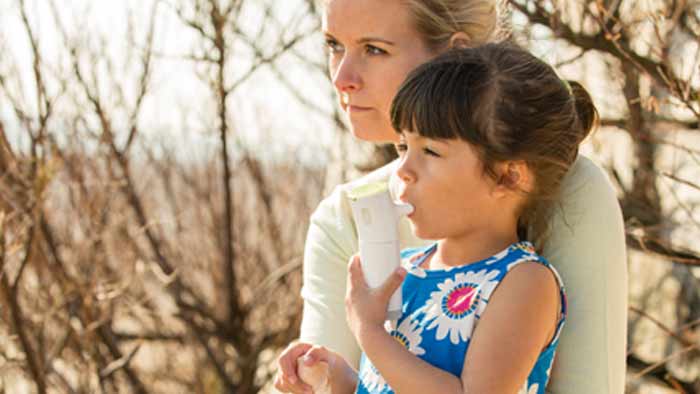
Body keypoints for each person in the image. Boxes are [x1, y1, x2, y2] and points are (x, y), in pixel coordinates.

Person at [275, 0, 627, 393]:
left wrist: (371, 335)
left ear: (509, 178)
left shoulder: (529, 270)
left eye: (374, 48)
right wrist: (329, 379)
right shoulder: (400, 261)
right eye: (333, 45)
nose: (342, 78)